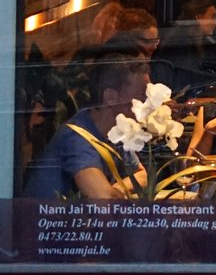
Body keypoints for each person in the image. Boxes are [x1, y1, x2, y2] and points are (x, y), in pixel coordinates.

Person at [23, 49, 149, 200]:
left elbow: (142, 175)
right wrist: (110, 192)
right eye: (142, 95)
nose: (148, 103)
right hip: (48, 222)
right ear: (110, 97)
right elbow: (102, 200)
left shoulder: (117, 129)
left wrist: (113, 189)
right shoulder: (77, 138)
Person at [153, 0, 216, 98]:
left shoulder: (200, 42)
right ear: (198, 17)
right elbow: (187, 81)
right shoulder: (181, 45)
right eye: (212, 17)